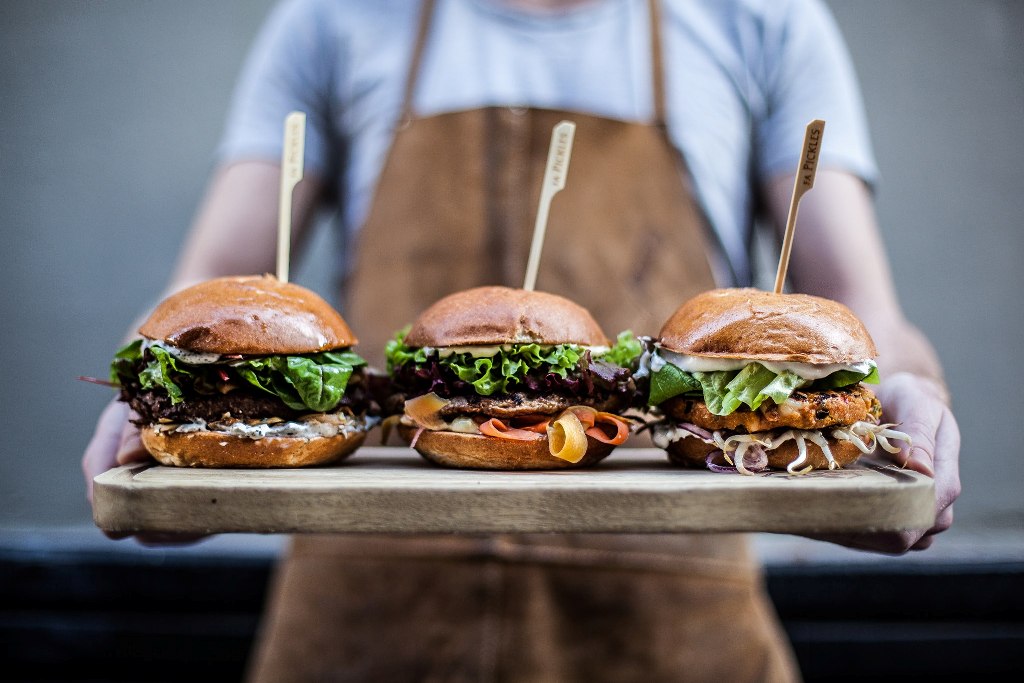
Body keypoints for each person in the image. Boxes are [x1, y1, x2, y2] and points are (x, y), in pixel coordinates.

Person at [82, 0, 961, 680]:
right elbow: (208, 292)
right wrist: (157, 424)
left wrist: (913, 397)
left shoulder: (760, 20)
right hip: (362, 603)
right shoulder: (333, 18)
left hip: (666, 611)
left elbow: (862, 314)